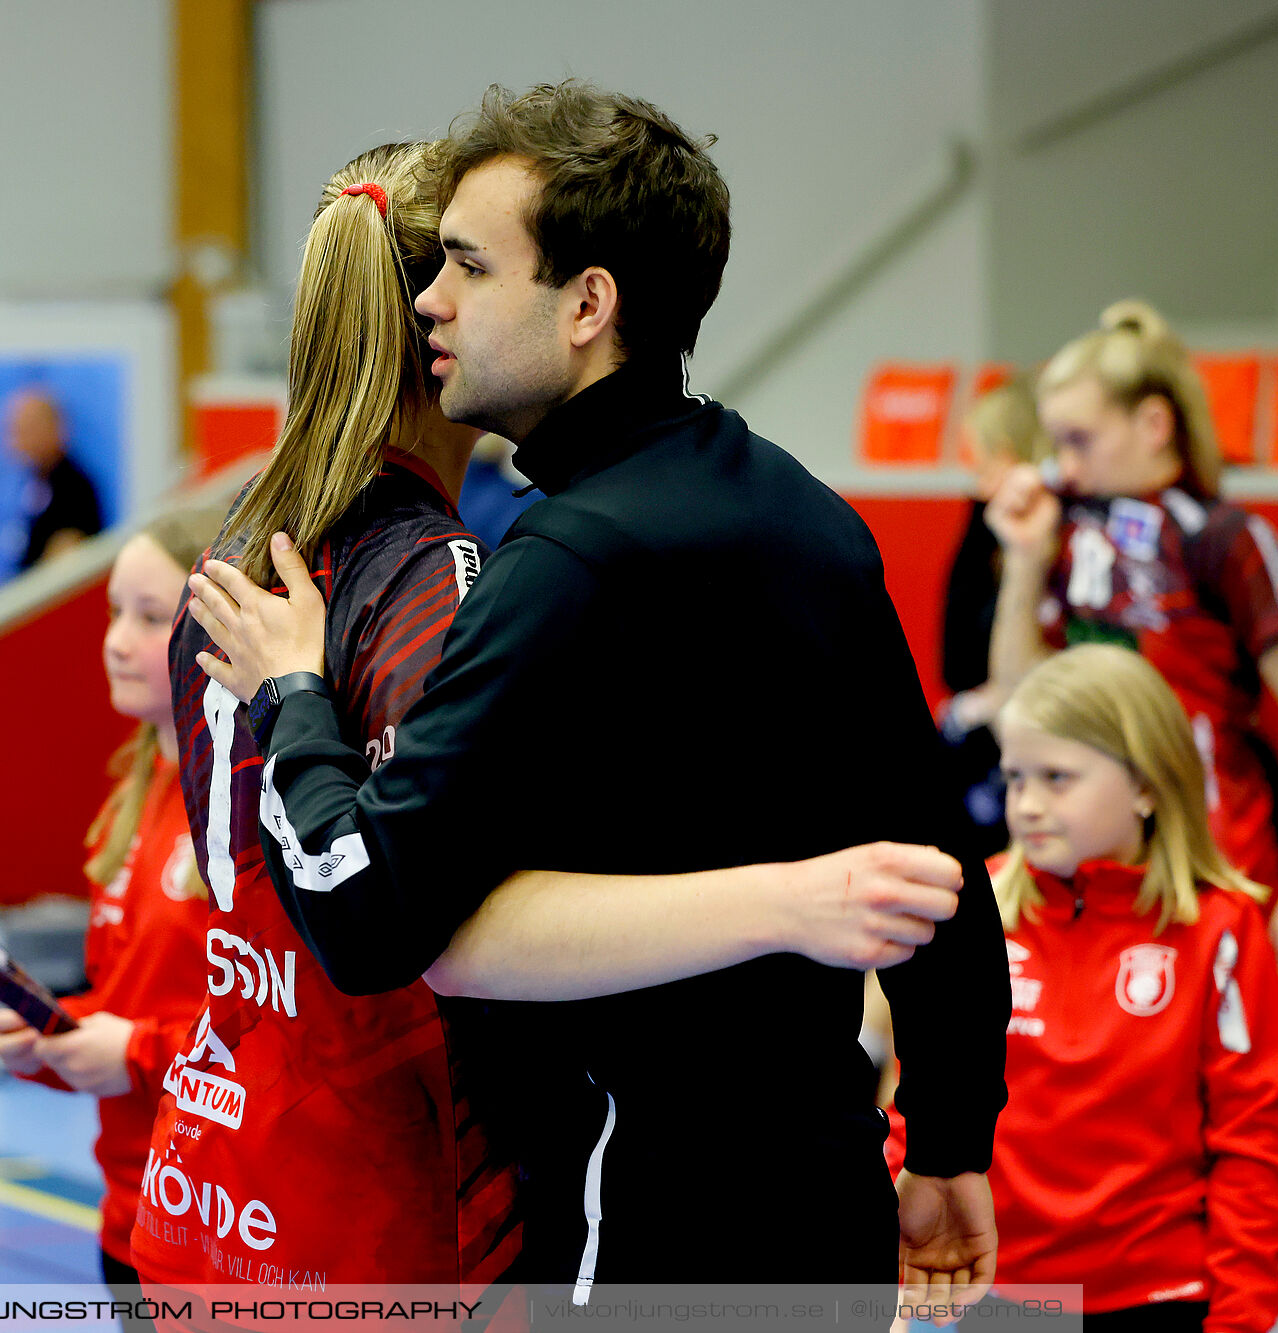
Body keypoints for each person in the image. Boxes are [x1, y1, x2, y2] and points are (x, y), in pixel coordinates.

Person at [184, 82, 1007, 1301]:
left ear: (587, 303)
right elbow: (942, 870)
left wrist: (295, 693)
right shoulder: (806, 513)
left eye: (468, 265)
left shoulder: (566, 564)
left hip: (648, 1223)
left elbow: (374, 924)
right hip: (828, 1188)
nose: (428, 302)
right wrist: (948, 1142)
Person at [128, 141, 526, 1295]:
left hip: (217, 1164)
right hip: (370, 1197)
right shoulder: (427, 568)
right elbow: (399, 909)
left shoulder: (240, 538)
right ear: (439, 320)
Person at [986, 300, 1278, 1294]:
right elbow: (1026, 702)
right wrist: (1021, 564)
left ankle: (1255, 1300)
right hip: (1096, 882)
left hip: (1222, 872)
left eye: (1079, 438)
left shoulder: (1225, 534)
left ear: (1154, 425)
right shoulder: (1067, 532)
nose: (1061, 464)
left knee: (1248, 1125)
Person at [987, 643, 1278, 1331]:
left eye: (1057, 777)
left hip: (1160, 1297)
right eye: (1014, 778)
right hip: (992, 1295)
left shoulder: (1220, 929)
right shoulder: (981, 908)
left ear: (1147, 785)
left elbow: (1252, 1144)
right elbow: (925, 1107)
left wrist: (1243, 1317)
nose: (1026, 804)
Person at [0, 510, 213, 1322]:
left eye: (149, 618)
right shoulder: (136, 798)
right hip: (129, 1207)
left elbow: (286, 1034)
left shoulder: (250, 810)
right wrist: (53, 1032)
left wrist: (140, 1053)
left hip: (226, 1226)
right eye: (113, 612)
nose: (116, 640)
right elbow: (131, 1001)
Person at [939, 380, 1051, 851]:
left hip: (1046, 721)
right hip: (993, 716)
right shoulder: (992, 533)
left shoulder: (1053, 539)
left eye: (979, 459)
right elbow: (956, 663)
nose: (973, 475)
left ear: (1007, 456)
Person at [7, 388, 103, 570]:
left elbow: (66, 559)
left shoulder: (74, 487)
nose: (16, 439)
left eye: (27, 429)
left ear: (55, 427)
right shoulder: (34, 480)